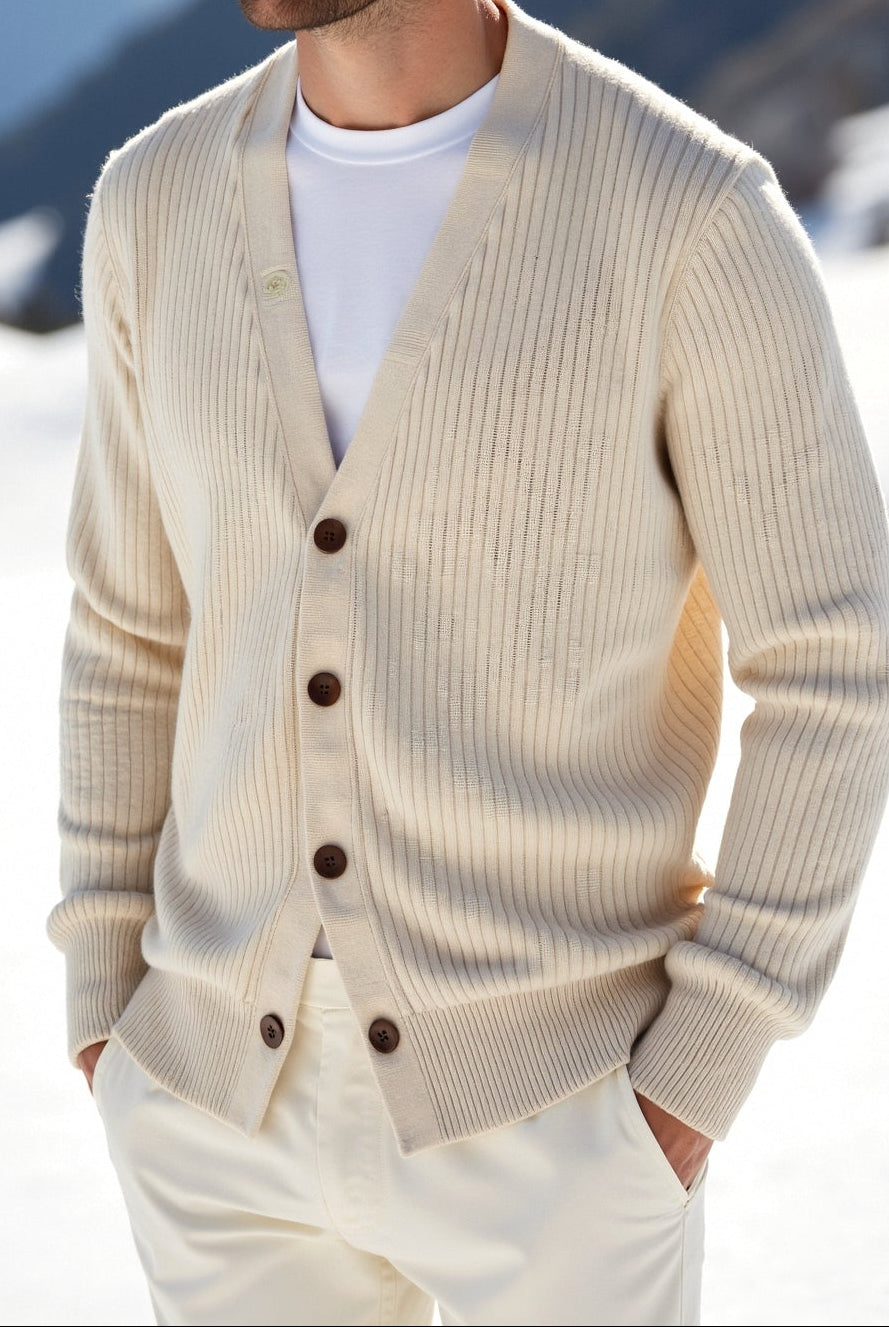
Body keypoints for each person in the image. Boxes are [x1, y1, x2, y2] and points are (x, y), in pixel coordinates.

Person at [48, 0, 889, 1323]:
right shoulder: (155, 196)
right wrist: (106, 996)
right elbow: (128, 624)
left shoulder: (683, 210)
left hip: (556, 1114)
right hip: (212, 1102)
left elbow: (833, 661)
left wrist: (699, 1070)